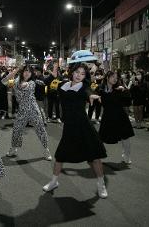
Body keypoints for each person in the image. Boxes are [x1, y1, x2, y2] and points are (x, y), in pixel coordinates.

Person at [43, 62, 108, 199]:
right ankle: (54, 181)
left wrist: (91, 96)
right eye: (77, 72)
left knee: (94, 158)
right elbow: (48, 86)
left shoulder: (84, 86)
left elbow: (88, 91)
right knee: (60, 156)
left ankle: (101, 184)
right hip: (69, 127)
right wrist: (52, 76)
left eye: (83, 74)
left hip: (84, 126)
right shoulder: (62, 85)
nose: (79, 75)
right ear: (72, 72)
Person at [2, 65, 57, 160]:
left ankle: (46, 149)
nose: (27, 73)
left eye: (29, 72)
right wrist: (16, 70)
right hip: (22, 111)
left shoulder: (32, 82)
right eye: (25, 71)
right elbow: (3, 81)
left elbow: (24, 85)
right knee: (16, 130)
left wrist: (52, 75)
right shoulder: (14, 81)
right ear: (22, 72)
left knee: (40, 130)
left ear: (32, 74)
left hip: (33, 110)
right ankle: (14, 148)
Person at [99, 71, 135, 164]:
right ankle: (96, 156)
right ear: (107, 77)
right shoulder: (101, 89)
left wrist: (125, 90)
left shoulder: (119, 89)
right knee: (102, 137)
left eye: (116, 77)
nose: (115, 79)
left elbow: (128, 102)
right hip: (108, 116)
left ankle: (127, 156)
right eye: (113, 77)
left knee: (125, 137)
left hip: (120, 115)